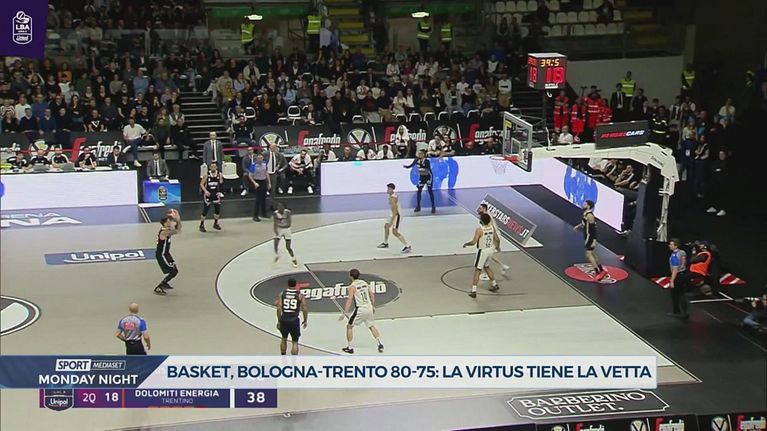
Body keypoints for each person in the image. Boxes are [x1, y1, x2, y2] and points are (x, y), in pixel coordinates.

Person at [339, 269, 384, 354]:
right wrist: (373, 306)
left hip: (360, 309)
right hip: (369, 307)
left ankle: (349, 347)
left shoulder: (352, 287)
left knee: (349, 326)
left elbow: (349, 300)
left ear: (351, 277)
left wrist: (344, 313)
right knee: (371, 326)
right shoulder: (364, 283)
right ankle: (379, 344)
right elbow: (372, 294)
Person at [462, 213, 501, 298]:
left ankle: (474, 291)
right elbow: (497, 239)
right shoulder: (492, 227)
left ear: (482, 221)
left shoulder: (479, 230)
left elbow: (474, 242)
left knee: (478, 270)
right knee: (487, 267)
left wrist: (466, 244)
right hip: (490, 250)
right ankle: (494, 284)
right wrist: (498, 247)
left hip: (482, 251)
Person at [573, 200, 608, 281]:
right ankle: (601, 269)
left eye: (585, 204)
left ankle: (597, 272)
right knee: (593, 254)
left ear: (588, 206)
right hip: (587, 236)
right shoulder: (585, 213)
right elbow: (585, 223)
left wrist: (594, 241)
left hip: (590, 237)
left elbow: (593, 229)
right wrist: (578, 226)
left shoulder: (589, 215)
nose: (583, 205)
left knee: (588, 254)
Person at [275, 278, 308, 355]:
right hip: (294, 320)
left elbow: (279, 308)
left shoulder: (282, 294)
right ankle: (294, 360)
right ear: (295, 285)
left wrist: (279, 320)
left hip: (284, 318)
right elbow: (304, 308)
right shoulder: (300, 295)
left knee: (283, 339)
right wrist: (305, 320)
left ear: (288, 284)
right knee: (295, 342)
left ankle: (283, 356)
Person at [377, 183, 411, 252]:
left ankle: (407, 246)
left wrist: (391, 222)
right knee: (386, 226)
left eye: (388, 189)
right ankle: (385, 243)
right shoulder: (391, 196)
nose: (387, 190)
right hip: (392, 214)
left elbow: (395, 211)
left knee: (394, 232)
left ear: (392, 189)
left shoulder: (393, 198)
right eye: (387, 189)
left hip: (397, 215)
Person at [478, 203, 510, 275]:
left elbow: (493, 231)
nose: (479, 209)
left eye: (480, 208)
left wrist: (498, 246)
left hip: (493, 236)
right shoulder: (485, 215)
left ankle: (488, 271)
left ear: (484, 209)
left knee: (487, 254)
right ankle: (502, 266)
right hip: (491, 236)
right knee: (489, 254)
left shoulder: (487, 217)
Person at [155, 209, 181, 295]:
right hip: (162, 255)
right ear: (165, 223)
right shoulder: (163, 232)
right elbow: (176, 230)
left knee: (174, 270)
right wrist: (177, 219)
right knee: (174, 271)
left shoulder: (167, 230)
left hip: (166, 254)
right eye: (169, 221)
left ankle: (164, 283)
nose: (170, 222)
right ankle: (159, 286)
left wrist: (177, 219)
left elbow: (178, 230)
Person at [667, 238, 690, 320]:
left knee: (675, 294)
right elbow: (684, 262)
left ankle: (677, 312)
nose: (669, 246)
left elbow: (675, 269)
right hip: (683, 274)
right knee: (682, 294)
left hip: (678, 276)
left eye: (671, 244)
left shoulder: (674, 256)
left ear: (676, 246)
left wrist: (672, 281)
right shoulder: (682, 252)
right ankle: (685, 312)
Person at [199, 162, 223, 232]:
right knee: (205, 210)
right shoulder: (206, 175)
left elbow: (221, 184)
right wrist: (205, 191)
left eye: (214, 167)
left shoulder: (219, 174)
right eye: (212, 167)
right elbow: (201, 184)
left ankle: (216, 223)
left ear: (216, 167)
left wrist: (220, 192)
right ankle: (201, 224)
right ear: (209, 168)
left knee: (217, 210)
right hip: (208, 194)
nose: (213, 168)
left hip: (216, 194)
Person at [273, 201, 298, 267]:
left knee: (288, 247)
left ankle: (294, 259)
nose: (279, 207)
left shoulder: (288, 212)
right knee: (275, 244)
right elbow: (275, 222)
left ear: (284, 207)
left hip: (287, 230)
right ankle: (277, 255)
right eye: (278, 206)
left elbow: (289, 224)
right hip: (279, 229)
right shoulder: (275, 213)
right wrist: (275, 230)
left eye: (280, 206)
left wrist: (280, 224)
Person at [249, 152, 270, 221]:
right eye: (258, 158)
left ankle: (264, 213)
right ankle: (255, 216)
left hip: (263, 181)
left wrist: (269, 183)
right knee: (258, 199)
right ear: (256, 159)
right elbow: (250, 175)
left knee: (264, 198)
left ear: (263, 158)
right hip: (257, 181)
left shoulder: (265, 164)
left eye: (261, 158)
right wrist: (254, 183)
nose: (260, 160)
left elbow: (266, 173)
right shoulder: (253, 165)